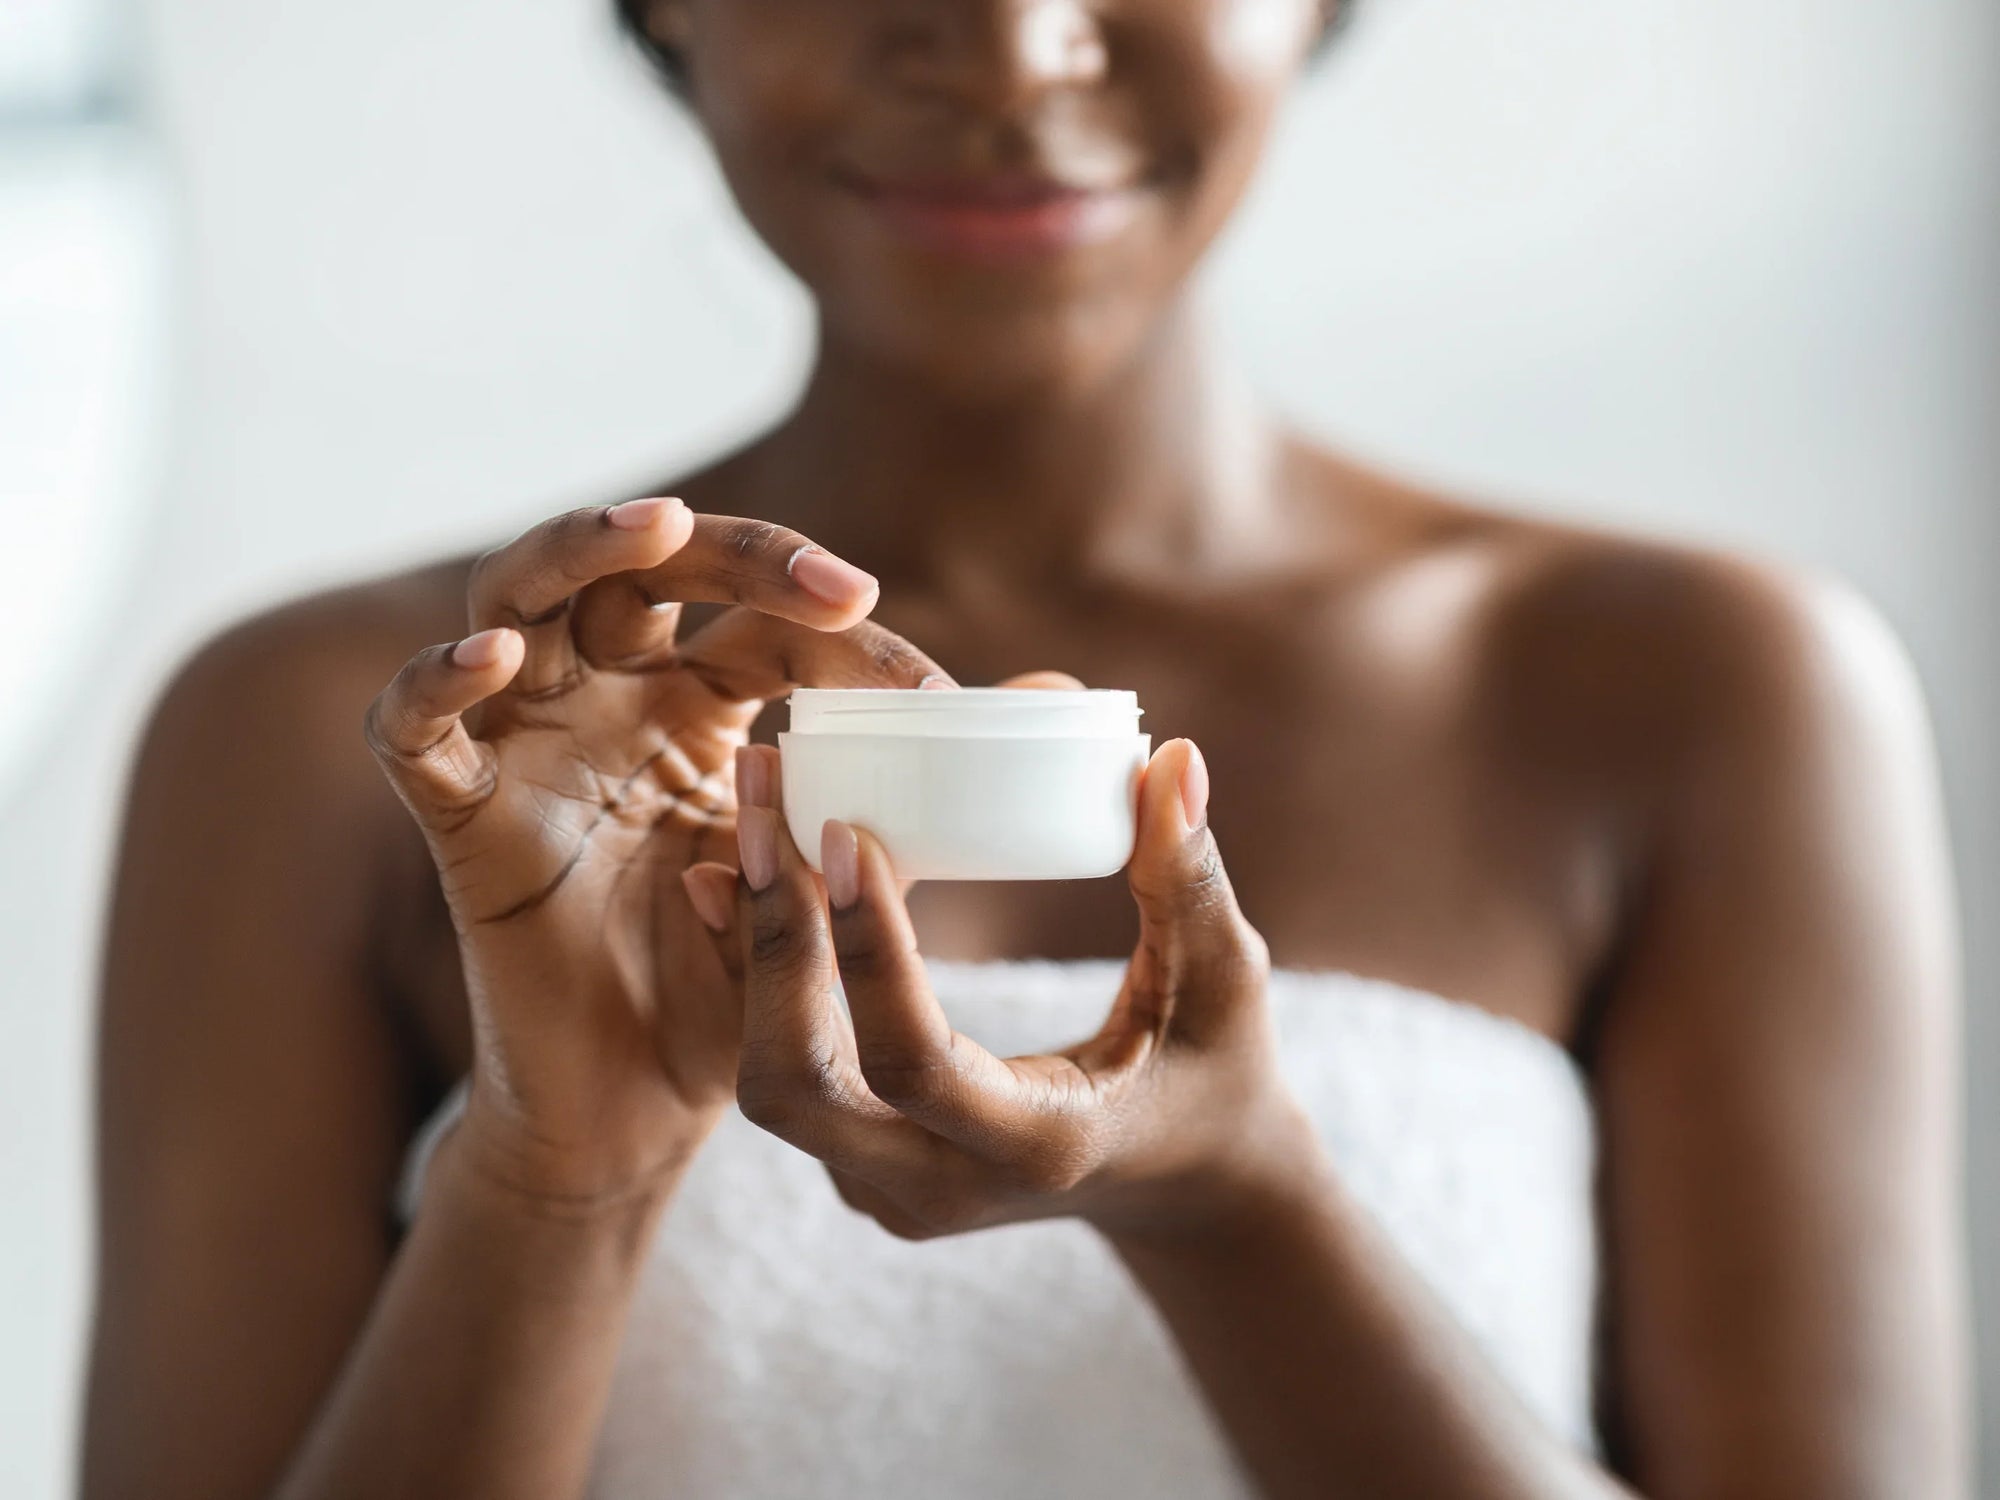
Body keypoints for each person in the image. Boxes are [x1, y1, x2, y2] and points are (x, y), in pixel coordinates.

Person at [79, 2, 1969, 1497]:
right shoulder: (373, 738)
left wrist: (1242, 1209)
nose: (1009, 48)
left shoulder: (1696, 697)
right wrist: (555, 1176)